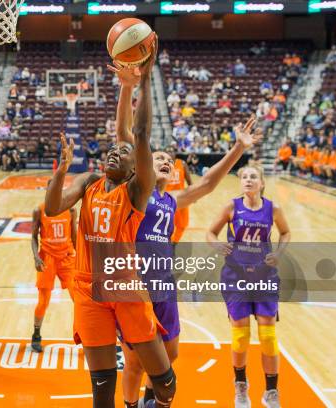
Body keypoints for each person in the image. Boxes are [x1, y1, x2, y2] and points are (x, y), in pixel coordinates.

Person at [109, 62, 263, 408]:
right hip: (136, 286)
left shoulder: (172, 199)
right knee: (134, 361)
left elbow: (208, 183)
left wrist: (239, 148)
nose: (164, 161)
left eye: (168, 159)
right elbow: (124, 135)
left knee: (171, 352)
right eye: (157, 158)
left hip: (164, 284)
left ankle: (151, 399)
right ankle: (132, 405)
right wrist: (126, 87)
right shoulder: (136, 190)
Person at [46, 41, 178, 408]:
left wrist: (144, 78)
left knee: (166, 384)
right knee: (101, 389)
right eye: (110, 149)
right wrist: (59, 172)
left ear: (138, 168)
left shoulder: (136, 192)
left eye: (122, 152)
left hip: (126, 288)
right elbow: (52, 206)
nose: (113, 151)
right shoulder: (89, 182)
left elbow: (138, 134)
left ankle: (159, 399)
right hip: (88, 290)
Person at [207, 164, 291, 408]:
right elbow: (211, 232)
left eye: (253, 176)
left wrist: (279, 253)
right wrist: (217, 246)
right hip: (236, 277)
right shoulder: (231, 207)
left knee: (268, 337)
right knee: (241, 336)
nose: (248, 180)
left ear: (262, 183)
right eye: (244, 176)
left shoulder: (273, 208)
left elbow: (285, 232)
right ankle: (241, 387)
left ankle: (271, 392)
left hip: (265, 277)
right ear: (240, 182)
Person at [30, 192, 76, 353]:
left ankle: (85, 334)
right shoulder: (39, 210)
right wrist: (36, 257)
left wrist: (81, 257)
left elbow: (74, 235)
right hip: (47, 258)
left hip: (66, 258)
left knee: (79, 298)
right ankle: (36, 334)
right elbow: (34, 236)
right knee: (43, 301)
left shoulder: (70, 210)